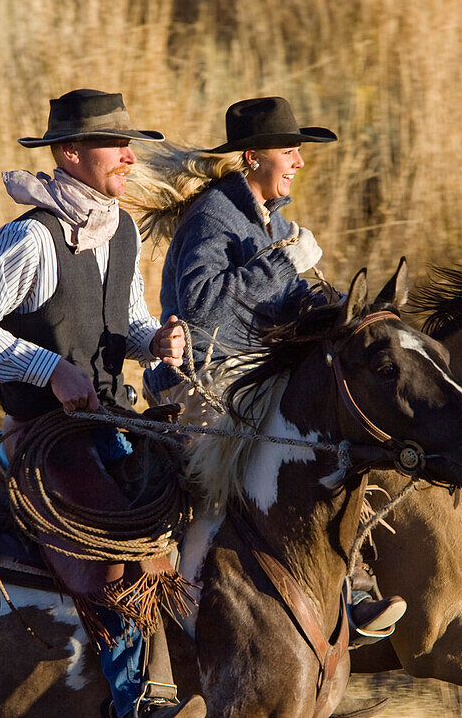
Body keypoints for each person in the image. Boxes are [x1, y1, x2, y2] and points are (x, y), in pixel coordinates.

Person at [0, 89, 203, 718]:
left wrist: (155, 341)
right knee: (109, 559)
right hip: (44, 434)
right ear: (69, 154)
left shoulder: (120, 231)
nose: (127, 156)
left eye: (128, 144)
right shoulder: (30, 238)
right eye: (113, 145)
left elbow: (129, 320)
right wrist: (47, 368)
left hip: (115, 421)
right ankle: (134, 700)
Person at [134, 96, 406, 646]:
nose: (300, 162)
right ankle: (183, 608)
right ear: (253, 157)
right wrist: (283, 262)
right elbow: (203, 306)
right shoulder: (213, 215)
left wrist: (339, 311)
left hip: (251, 378)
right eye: (290, 151)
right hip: (204, 386)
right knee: (222, 490)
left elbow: (285, 302)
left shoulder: (268, 219)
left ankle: (344, 586)